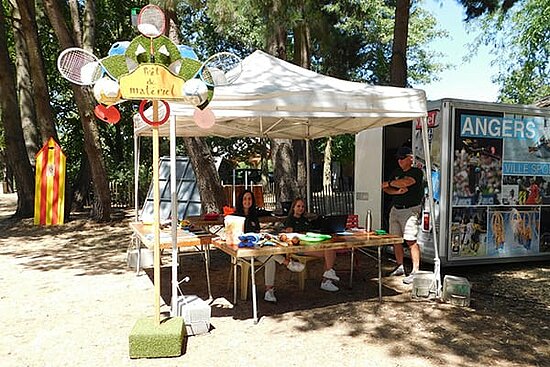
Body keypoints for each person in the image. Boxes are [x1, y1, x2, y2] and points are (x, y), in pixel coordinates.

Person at [234, 190, 304, 303]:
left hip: (257, 250)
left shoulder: (253, 216)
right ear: (241, 201)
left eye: (250, 199)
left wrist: (262, 236)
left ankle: (269, 291)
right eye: (245, 199)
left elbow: (257, 233)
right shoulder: (235, 216)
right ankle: (287, 263)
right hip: (243, 251)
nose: (247, 201)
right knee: (270, 255)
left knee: (270, 259)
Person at [382, 146, 424, 284]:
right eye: (398, 158)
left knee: (411, 240)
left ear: (410, 158)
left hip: (410, 210)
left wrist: (390, 183)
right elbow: (386, 189)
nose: (399, 161)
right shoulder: (396, 172)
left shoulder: (416, 172)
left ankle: (415, 271)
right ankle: (400, 266)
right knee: (396, 240)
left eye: (402, 158)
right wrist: (396, 191)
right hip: (396, 209)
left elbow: (407, 182)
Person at [283, 198, 340, 292]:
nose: (301, 208)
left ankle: (327, 278)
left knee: (330, 249)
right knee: (329, 251)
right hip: (299, 248)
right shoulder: (290, 220)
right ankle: (328, 276)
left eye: (302, 206)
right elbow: (288, 236)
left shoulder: (304, 219)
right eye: (298, 206)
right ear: (293, 207)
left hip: (311, 245)